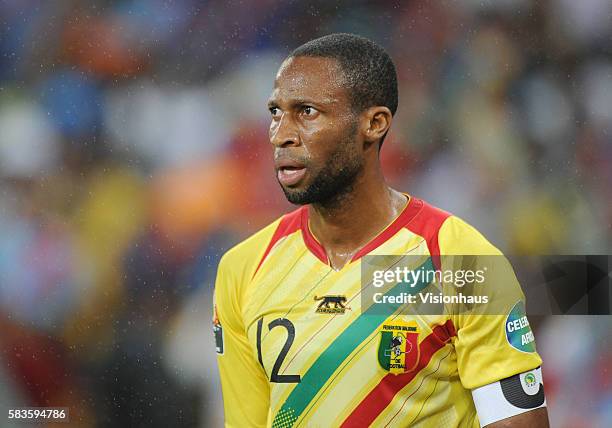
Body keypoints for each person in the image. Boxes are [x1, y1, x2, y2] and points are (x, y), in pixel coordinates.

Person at [213, 33, 549, 427]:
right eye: (275, 112)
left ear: (374, 124)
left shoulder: (459, 260)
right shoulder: (243, 270)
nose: (280, 134)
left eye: (306, 112)